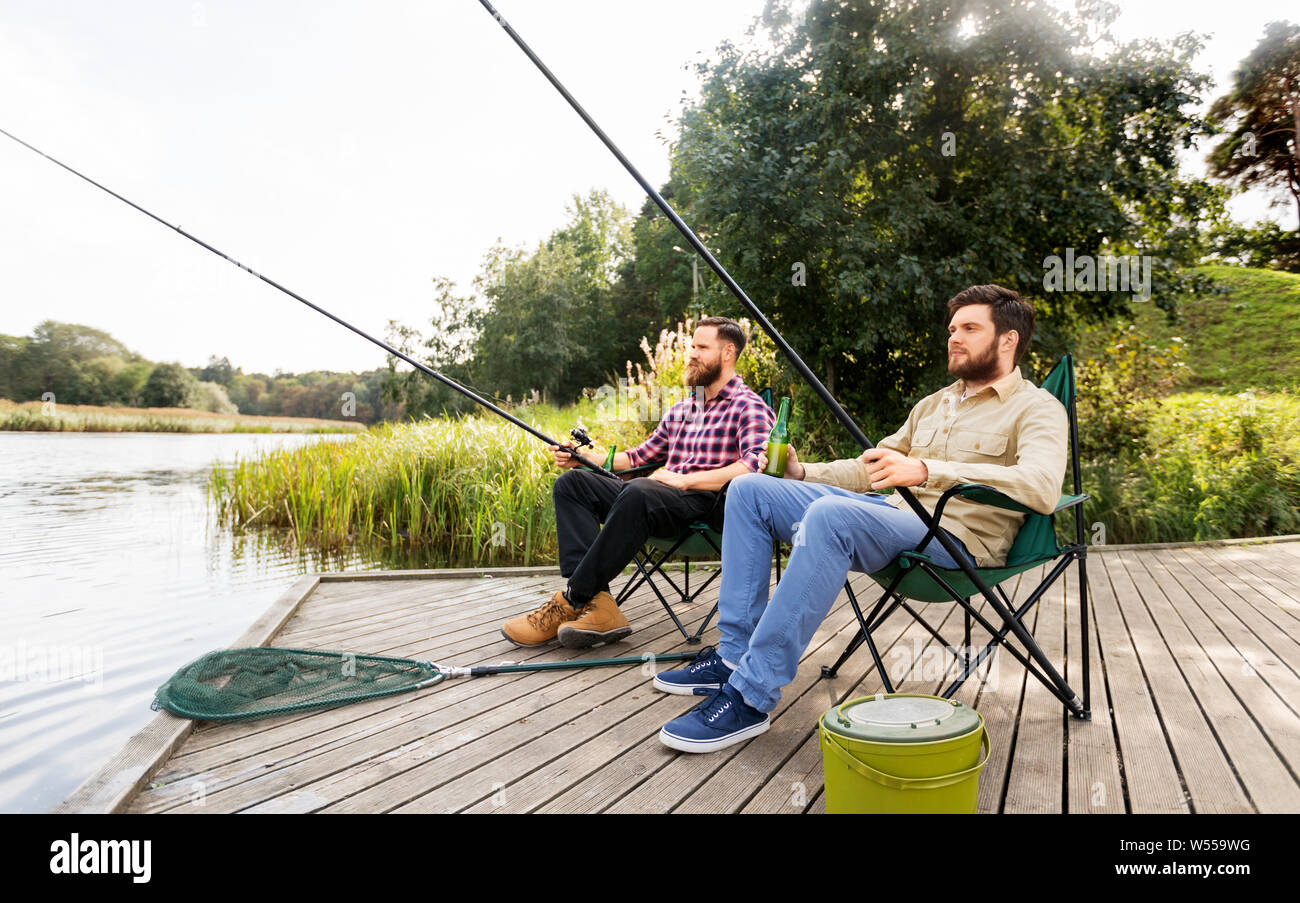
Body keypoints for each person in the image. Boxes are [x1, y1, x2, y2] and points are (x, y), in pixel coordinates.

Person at [653, 285, 1069, 753]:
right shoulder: (933, 405)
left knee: (831, 516)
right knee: (752, 489)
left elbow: (1042, 485)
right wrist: (803, 472)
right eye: (952, 329)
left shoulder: (1037, 408)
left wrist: (931, 470)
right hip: (891, 515)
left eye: (970, 329)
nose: (954, 338)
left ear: (1008, 340)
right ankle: (733, 658)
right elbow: (872, 467)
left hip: (955, 538)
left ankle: (751, 696)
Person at [501, 317, 775, 649]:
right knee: (574, 484)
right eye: (692, 347)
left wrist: (685, 480)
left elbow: (755, 468)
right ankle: (598, 605)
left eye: (702, 347)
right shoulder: (682, 410)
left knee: (640, 491)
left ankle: (572, 599)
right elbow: (635, 459)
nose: (692, 354)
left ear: (728, 352)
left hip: (709, 504)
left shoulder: (750, 407)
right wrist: (583, 458)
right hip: (657, 499)